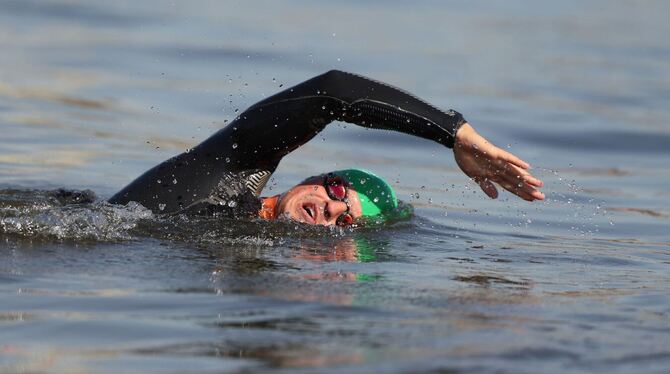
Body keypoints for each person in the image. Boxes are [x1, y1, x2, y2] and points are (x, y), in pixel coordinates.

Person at [109, 70, 544, 226]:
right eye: (337, 192)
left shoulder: (257, 272)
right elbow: (331, 91)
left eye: (346, 223)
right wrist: (454, 132)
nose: (333, 210)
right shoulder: (229, 171)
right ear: (314, 179)